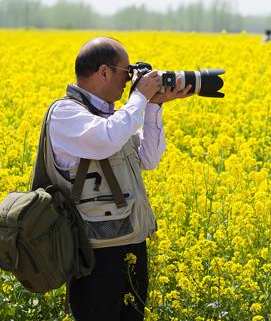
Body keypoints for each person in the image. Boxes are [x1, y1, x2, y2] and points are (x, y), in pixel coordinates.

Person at [43, 36, 192, 320]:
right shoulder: (66, 114)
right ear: (103, 72)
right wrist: (140, 96)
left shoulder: (113, 118)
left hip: (131, 244)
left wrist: (153, 106)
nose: (129, 81)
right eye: (126, 72)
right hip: (94, 254)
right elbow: (106, 138)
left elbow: (149, 158)